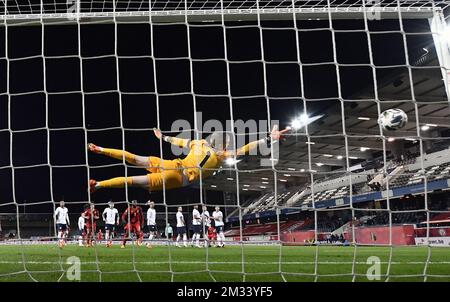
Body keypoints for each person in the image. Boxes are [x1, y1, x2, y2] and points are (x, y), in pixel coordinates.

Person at [88, 126, 289, 193]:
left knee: (135, 159)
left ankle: (101, 149)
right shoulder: (220, 156)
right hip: (179, 178)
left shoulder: (198, 143)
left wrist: (163, 137)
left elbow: (179, 141)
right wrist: (268, 139)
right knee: (134, 181)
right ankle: (98, 185)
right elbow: (245, 150)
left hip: (173, 164)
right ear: (224, 145)